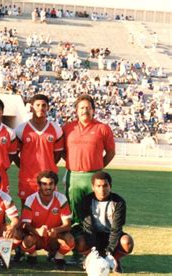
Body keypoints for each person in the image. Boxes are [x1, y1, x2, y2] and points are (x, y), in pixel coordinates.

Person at [63, 94, 115, 264]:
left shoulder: (103, 128)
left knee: (96, 215)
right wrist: (74, 163)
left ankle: (97, 251)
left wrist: (98, 168)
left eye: (88, 107)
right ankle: (77, 251)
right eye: (82, 108)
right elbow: (62, 151)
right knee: (75, 215)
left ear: (93, 110)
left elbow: (111, 152)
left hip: (94, 177)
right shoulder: (67, 128)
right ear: (76, 111)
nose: (85, 110)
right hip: (74, 177)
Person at [75, 171, 134, 273]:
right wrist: (94, 251)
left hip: (111, 235)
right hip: (93, 235)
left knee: (127, 242)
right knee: (79, 241)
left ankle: (114, 259)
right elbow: (88, 227)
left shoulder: (118, 202)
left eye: (105, 185)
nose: (102, 189)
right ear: (93, 187)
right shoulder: (86, 201)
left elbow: (116, 228)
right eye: (98, 186)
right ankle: (90, 259)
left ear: (110, 186)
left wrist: (109, 251)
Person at [14, 94, 63, 204]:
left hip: (48, 179)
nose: (41, 108)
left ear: (48, 108)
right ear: (31, 107)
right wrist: (24, 166)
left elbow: (58, 154)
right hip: (28, 178)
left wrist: (48, 165)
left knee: (49, 208)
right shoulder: (21, 129)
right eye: (37, 105)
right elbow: (14, 154)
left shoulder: (56, 129)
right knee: (26, 209)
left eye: (44, 105)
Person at [20, 171, 74, 270]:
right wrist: (37, 231)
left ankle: (58, 258)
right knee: (27, 240)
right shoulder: (31, 199)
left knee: (70, 239)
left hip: (54, 237)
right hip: (37, 237)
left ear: (55, 185)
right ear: (39, 185)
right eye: (44, 184)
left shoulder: (61, 198)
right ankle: (32, 256)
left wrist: (56, 230)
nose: (48, 187)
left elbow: (68, 225)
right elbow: (25, 224)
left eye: (51, 184)